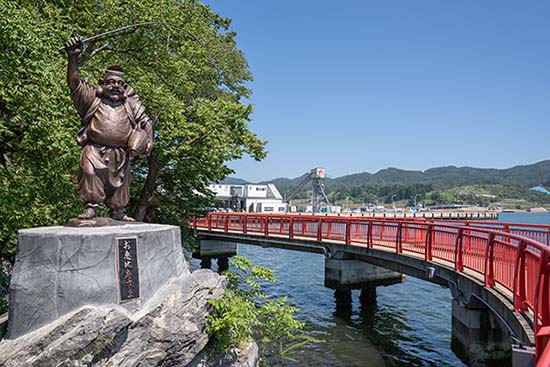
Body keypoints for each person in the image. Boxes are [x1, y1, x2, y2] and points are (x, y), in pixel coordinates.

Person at [64, 37, 153, 221]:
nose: (116, 86)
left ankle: (118, 211)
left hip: (121, 154)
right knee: (89, 173)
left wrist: (149, 140)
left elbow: (146, 122)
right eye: (111, 82)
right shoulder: (92, 100)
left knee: (122, 184)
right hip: (94, 150)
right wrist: (73, 58)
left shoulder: (131, 103)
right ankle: (91, 207)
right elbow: (74, 84)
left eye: (120, 84)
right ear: (102, 83)